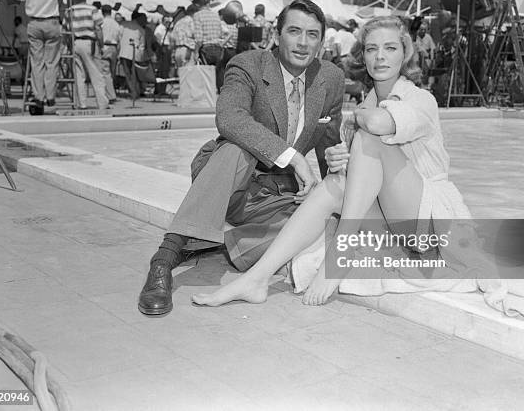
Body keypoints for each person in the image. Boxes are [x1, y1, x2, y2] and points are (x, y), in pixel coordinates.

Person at [191, 15, 470, 308]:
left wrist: (356, 124)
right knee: (335, 183)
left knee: (368, 138)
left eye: (390, 48)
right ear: (363, 55)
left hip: (433, 227)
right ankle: (256, 279)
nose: (380, 57)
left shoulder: (420, 99)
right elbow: (371, 179)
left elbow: (377, 123)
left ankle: (338, 257)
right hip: (392, 229)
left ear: (405, 52)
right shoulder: (367, 104)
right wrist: (346, 162)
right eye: (372, 49)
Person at [138, 0, 345, 316]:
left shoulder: (329, 78)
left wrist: (337, 161)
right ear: (276, 36)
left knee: (320, 226)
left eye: (313, 35)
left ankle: (226, 243)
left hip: (278, 196)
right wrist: (292, 156)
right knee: (237, 148)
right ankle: (165, 259)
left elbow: (328, 135)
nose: (303, 43)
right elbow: (230, 119)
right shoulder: (248, 64)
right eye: (294, 31)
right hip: (235, 182)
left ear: (321, 41)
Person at [20, 0, 66, 111]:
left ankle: (38, 96)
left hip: (34, 22)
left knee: (36, 62)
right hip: (51, 22)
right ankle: (50, 96)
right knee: (51, 62)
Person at [68, 0, 109, 110]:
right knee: (96, 74)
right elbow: (98, 28)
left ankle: (82, 103)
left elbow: (65, 30)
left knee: (79, 75)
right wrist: (101, 45)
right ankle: (102, 103)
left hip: (75, 42)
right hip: (89, 42)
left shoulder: (69, 10)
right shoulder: (92, 9)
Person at [192, 0, 223, 84]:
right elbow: (220, 33)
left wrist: (196, 52)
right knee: (218, 77)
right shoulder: (215, 15)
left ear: (197, 5)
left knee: (206, 77)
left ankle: (208, 97)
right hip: (218, 48)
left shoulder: (197, 15)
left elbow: (199, 38)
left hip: (206, 49)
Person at [99, 4, 121, 104]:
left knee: (105, 72)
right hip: (114, 47)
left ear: (102, 12)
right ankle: (110, 93)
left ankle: (111, 96)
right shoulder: (116, 24)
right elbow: (119, 39)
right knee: (112, 72)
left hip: (105, 46)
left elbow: (99, 35)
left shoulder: (102, 22)